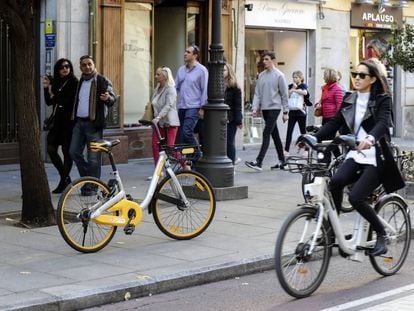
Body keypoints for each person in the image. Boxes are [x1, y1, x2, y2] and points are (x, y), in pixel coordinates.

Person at [309, 60, 405, 256]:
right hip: (355, 154)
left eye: (362, 75)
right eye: (355, 74)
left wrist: (370, 138)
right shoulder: (349, 98)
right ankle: (332, 232)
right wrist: (312, 137)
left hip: (376, 157)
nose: (357, 78)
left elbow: (382, 123)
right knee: (335, 182)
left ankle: (381, 234)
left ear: (372, 79)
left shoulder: (382, 99)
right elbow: (335, 122)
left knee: (356, 197)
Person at [69, 55, 115, 188]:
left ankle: (92, 186)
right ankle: (88, 180)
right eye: (84, 65)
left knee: (93, 158)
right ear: (80, 67)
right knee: (73, 152)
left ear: (94, 64)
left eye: (89, 64)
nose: (87, 67)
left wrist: (107, 98)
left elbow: (112, 99)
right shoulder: (80, 82)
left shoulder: (102, 80)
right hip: (79, 123)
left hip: (94, 124)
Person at [245, 51, 289, 171]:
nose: (264, 61)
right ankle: (282, 161)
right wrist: (255, 108)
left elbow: (284, 94)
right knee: (275, 135)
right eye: (263, 59)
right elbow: (257, 93)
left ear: (273, 60)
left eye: (266, 59)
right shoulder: (261, 75)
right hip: (265, 108)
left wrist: (286, 112)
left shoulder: (280, 75)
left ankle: (259, 162)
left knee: (266, 133)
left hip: (275, 108)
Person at [43, 59, 78, 193]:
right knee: (51, 149)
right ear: (58, 69)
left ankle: (63, 181)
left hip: (68, 122)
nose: (65, 69)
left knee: (66, 152)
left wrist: (55, 94)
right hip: (57, 122)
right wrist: (46, 88)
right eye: (62, 67)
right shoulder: (57, 83)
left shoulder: (74, 82)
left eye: (68, 66)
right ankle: (65, 177)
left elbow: (67, 101)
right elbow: (49, 102)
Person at [175, 45, 208, 163]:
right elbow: (176, 88)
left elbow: (204, 90)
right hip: (182, 106)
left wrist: (202, 108)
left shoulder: (202, 70)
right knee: (182, 136)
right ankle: (191, 159)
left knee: (187, 131)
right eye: (185, 51)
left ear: (195, 55)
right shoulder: (181, 70)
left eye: (188, 52)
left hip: (194, 106)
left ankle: (198, 155)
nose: (185, 54)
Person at [150, 66, 181, 166]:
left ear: (165, 76)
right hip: (158, 123)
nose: (155, 76)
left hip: (169, 123)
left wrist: (158, 117)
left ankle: (185, 163)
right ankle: (158, 172)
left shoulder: (171, 89)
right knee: (155, 146)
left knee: (170, 148)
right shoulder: (157, 88)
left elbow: (168, 105)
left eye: (158, 74)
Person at [314, 68, 344, 162]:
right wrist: (319, 104)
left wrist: (338, 122)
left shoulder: (337, 89)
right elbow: (322, 100)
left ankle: (327, 161)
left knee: (329, 141)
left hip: (333, 119)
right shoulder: (325, 88)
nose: (323, 77)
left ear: (329, 76)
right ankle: (336, 160)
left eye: (324, 75)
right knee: (327, 140)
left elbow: (340, 106)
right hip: (325, 117)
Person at [284, 70, 310, 157]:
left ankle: (306, 149)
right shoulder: (290, 86)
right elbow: (287, 95)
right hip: (292, 112)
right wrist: (292, 89)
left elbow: (305, 93)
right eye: (293, 77)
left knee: (303, 132)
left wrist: (295, 90)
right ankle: (286, 150)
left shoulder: (303, 85)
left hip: (301, 112)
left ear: (301, 78)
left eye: (296, 77)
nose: (295, 79)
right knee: (289, 131)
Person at [224, 62, 243, 164]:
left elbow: (238, 105)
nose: (222, 72)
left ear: (229, 72)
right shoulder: (217, 86)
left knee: (229, 142)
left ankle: (231, 164)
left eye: (224, 70)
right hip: (219, 119)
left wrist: (238, 120)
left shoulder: (235, 87)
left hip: (230, 119)